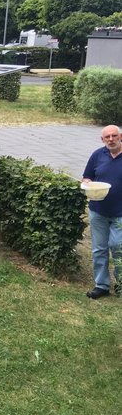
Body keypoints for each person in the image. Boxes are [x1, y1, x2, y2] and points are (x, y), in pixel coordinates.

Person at [82, 124, 122, 298]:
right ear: (102, 139)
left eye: (114, 136)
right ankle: (101, 285)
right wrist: (87, 183)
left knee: (118, 247)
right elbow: (87, 176)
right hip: (98, 210)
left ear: (121, 137)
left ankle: (120, 284)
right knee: (99, 249)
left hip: (120, 212)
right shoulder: (98, 155)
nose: (111, 139)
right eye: (108, 137)